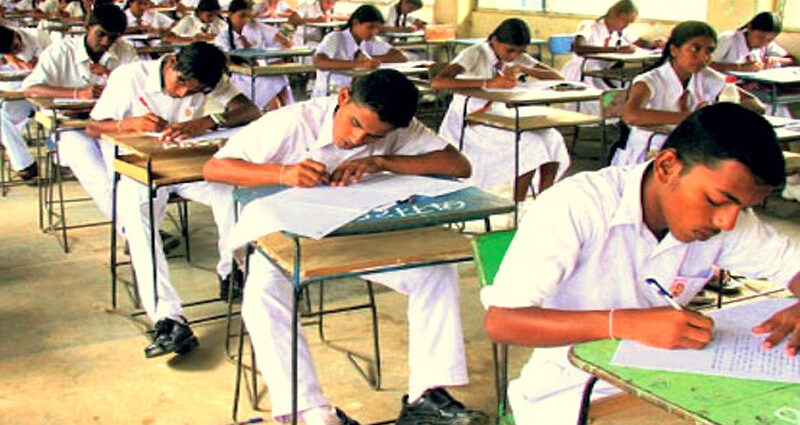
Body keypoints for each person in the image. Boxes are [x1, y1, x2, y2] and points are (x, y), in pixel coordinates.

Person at [482, 102, 800, 425]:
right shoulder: (577, 206)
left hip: (668, 378)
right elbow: (502, 322)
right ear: (667, 166)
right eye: (717, 201)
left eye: (743, 208)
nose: (728, 222)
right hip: (574, 389)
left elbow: (792, 265)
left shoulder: (724, 222)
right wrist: (622, 324)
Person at [203, 69, 488, 425]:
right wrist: (283, 173)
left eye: (373, 137)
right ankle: (309, 412)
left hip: (354, 229)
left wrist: (382, 161)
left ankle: (426, 395)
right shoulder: (293, 122)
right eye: (354, 124)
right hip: (283, 233)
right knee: (263, 293)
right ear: (343, 97)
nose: (356, 139)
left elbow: (458, 165)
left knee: (435, 270)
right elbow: (214, 168)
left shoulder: (398, 126)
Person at [84, 42, 260, 358]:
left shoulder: (207, 77)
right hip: (137, 170)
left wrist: (208, 121)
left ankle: (230, 269)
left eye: (192, 92)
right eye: (179, 84)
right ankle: (168, 318)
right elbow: (92, 127)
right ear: (172, 62)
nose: (181, 94)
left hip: (185, 167)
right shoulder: (129, 77)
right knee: (139, 225)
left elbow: (249, 110)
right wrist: (129, 124)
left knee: (234, 193)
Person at [432, 18, 568, 200]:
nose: (513, 56)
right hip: (470, 120)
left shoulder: (515, 57)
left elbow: (558, 77)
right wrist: (488, 83)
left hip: (498, 114)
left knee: (552, 137)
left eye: (520, 52)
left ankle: (544, 198)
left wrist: (524, 68)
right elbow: (438, 82)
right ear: (494, 40)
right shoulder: (474, 53)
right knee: (530, 144)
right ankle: (518, 203)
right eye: (510, 50)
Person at [22, 4, 137, 215]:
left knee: (127, 174)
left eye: (113, 38)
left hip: (109, 124)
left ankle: (135, 228)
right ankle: (128, 227)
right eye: (101, 34)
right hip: (68, 126)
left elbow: (138, 87)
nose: (106, 42)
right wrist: (76, 93)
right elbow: (30, 89)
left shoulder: (125, 51)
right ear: (87, 27)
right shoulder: (60, 51)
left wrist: (110, 76)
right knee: (99, 177)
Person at [612, 21, 765, 167]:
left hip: (688, 151)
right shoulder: (650, 81)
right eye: (695, 49)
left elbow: (756, 105)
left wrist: (721, 113)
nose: (704, 57)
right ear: (674, 50)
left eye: (709, 51)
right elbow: (632, 115)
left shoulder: (707, 76)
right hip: (645, 155)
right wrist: (694, 118)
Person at [560, 0, 663, 114]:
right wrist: (616, 50)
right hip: (583, 72)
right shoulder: (591, 26)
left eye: (629, 22)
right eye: (625, 20)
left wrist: (655, 44)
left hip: (604, 73)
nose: (626, 25)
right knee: (597, 105)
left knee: (628, 92)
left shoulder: (621, 30)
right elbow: (578, 47)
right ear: (615, 15)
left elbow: (640, 42)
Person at [312, 4, 406, 97]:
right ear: (355, 23)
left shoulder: (370, 41)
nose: (374, 32)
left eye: (377, 28)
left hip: (355, 94)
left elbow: (400, 56)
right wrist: (358, 64)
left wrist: (370, 59)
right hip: (329, 94)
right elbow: (319, 62)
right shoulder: (336, 37)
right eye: (370, 27)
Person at [214, 0, 293, 110]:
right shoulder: (223, 36)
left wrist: (284, 40)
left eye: (248, 16)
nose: (246, 20)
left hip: (259, 68)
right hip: (240, 73)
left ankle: (287, 110)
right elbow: (227, 62)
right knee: (269, 85)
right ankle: (275, 112)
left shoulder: (255, 27)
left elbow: (279, 38)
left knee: (280, 78)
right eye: (242, 16)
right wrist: (245, 70)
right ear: (230, 14)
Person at [0, 24, 50, 184]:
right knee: (2, 118)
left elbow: (53, 69)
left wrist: (36, 68)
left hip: (47, 92)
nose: (16, 51)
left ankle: (29, 164)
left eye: (16, 47)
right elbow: (10, 58)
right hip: (23, 92)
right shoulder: (8, 49)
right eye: (11, 52)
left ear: (16, 34)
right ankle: (25, 165)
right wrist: (17, 62)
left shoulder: (38, 37)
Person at [711, 12, 793, 72]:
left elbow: (791, 60)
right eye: (760, 37)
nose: (763, 42)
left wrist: (777, 60)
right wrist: (740, 67)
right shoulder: (728, 39)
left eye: (769, 40)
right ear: (750, 28)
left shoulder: (766, 44)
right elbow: (706, 65)